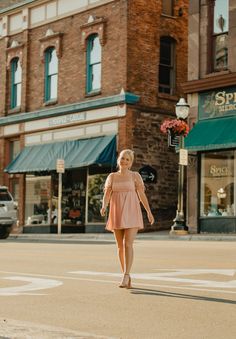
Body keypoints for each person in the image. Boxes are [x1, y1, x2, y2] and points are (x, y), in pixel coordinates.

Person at [100, 149, 154, 289]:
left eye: (127, 160)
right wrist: (104, 206)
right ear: (119, 159)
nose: (124, 161)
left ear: (131, 163)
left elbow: (141, 195)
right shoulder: (112, 176)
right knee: (120, 246)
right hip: (116, 211)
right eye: (123, 158)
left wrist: (148, 211)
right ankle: (126, 274)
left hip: (131, 210)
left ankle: (125, 275)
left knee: (128, 244)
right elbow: (107, 194)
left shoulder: (135, 176)